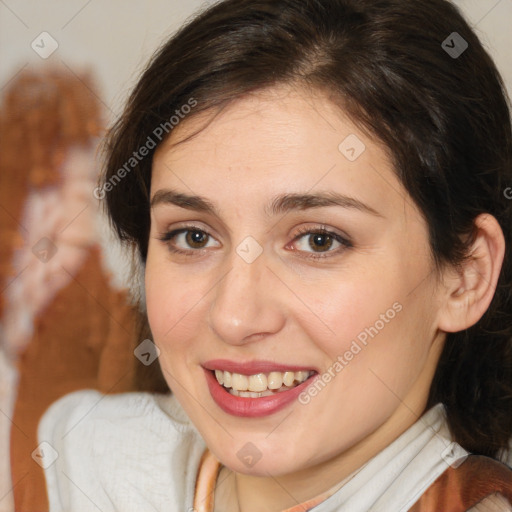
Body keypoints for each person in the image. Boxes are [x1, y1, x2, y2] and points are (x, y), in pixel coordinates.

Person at [38, 0, 512, 510]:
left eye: (318, 240)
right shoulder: (85, 460)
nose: (235, 317)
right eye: (194, 236)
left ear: (465, 275)